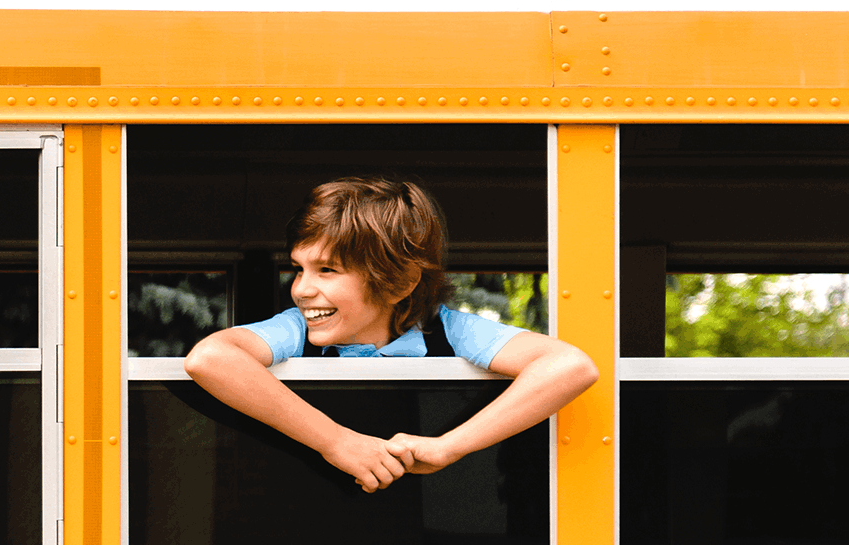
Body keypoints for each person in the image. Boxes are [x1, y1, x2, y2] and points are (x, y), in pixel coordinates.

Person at [182, 176, 596, 492]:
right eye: (299, 268)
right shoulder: (296, 327)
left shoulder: (449, 329)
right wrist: (336, 442)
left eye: (327, 270)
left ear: (398, 283)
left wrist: (449, 446)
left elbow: (570, 366)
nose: (301, 288)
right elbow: (211, 359)